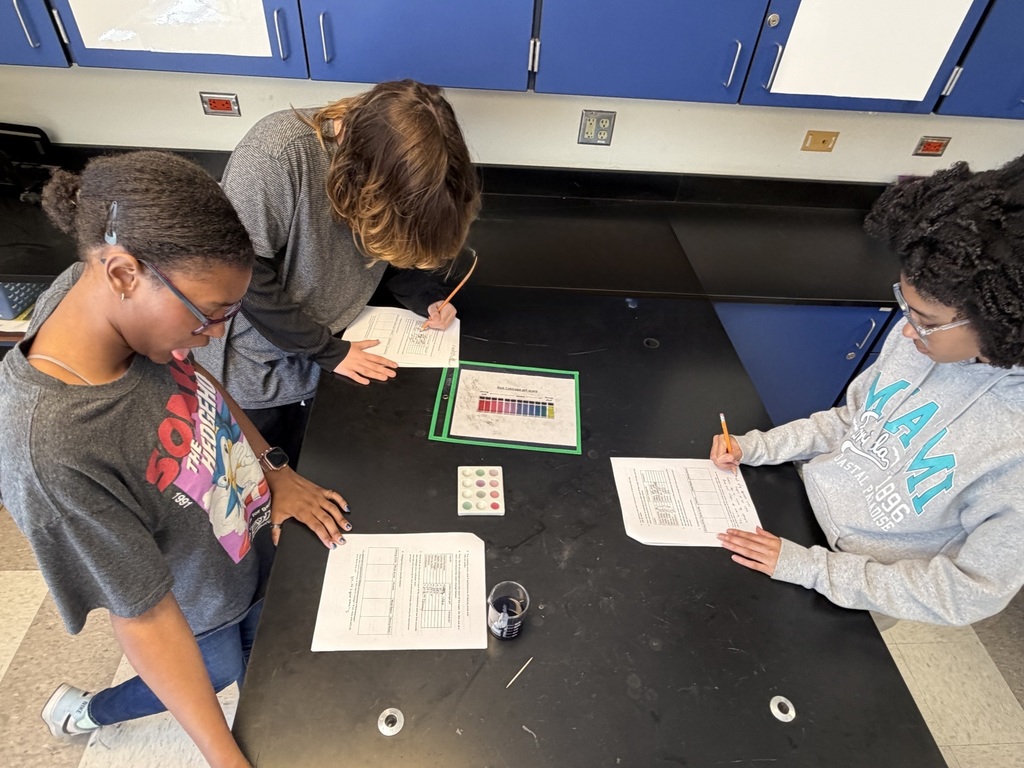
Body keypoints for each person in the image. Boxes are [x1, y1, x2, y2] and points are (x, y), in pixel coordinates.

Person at [0, 151, 353, 768]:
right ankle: (87, 712)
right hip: (199, 608)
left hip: (246, 545)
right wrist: (225, 757)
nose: (216, 334)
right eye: (209, 314)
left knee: (245, 658)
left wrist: (275, 469)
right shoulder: (52, 451)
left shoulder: (128, 317)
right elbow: (144, 621)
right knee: (213, 669)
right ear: (123, 273)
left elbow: (202, 389)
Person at [711, 155, 1024, 627]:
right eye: (905, 306)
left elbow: (968, 593)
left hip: (861, 585)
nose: (905, 331)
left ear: (1001, 321)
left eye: (927, 322)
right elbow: (851, 422)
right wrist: (758, 447)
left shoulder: (1014, 446)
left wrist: (812, 569)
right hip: (798, 516)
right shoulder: (922, 345)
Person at [194, 79, 482, 462]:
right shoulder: (277, 155)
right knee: (270, 483)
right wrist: (326, 350)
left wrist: (426, 297)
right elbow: (239, 275)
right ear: (355, 172)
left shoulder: (386, 162)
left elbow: (386, 239)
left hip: (329, 349)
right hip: (258, 370)